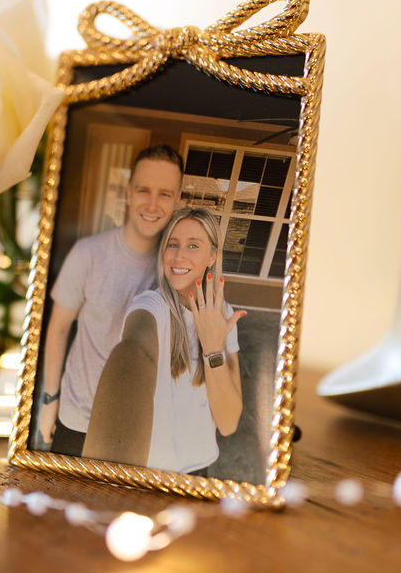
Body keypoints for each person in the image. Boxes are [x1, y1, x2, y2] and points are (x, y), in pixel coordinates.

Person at [38, 144, 184, 455]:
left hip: (139, 422)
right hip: (78, 416)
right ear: (129, 194)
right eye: (144, 190)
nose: (153, 204)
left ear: (177, 201)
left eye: (165, 194)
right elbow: (59, 327)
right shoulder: (88, 254)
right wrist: (50, 400)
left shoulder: (178, 269)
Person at [83, 207, 246, 475]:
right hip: (148, 473)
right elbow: (134, 350)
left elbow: (228, 423)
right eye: (173, 244)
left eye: (193, 245)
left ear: (212, 256)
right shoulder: (150, 307)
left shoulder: (224, 314)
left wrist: (213, 347)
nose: (179, 255)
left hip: (199, 469)